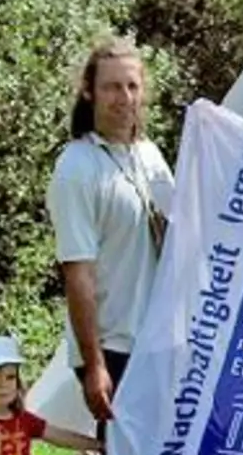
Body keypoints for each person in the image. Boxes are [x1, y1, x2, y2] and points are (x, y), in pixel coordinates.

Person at [47, 35, 174, 426]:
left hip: (156, 341)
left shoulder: (149, 155)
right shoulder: (77, 168)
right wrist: (94, 365)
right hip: (112, 344)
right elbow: (78, 274)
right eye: (112, 87)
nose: (124, 98)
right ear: (89, 91)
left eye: (132, 86)